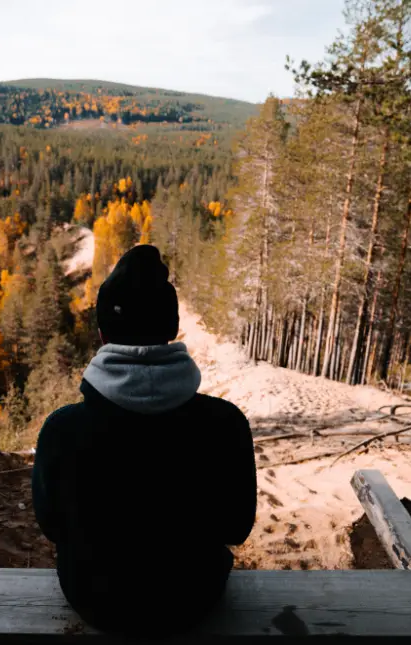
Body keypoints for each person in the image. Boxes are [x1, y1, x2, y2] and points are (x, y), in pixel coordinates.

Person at [32, 245, 257, 636]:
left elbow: (51, 525)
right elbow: (237, 528)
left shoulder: (61, 431)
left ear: (102, 334)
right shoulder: (226, 425)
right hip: (193, 600)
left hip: (94, 602)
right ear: (172, 331)